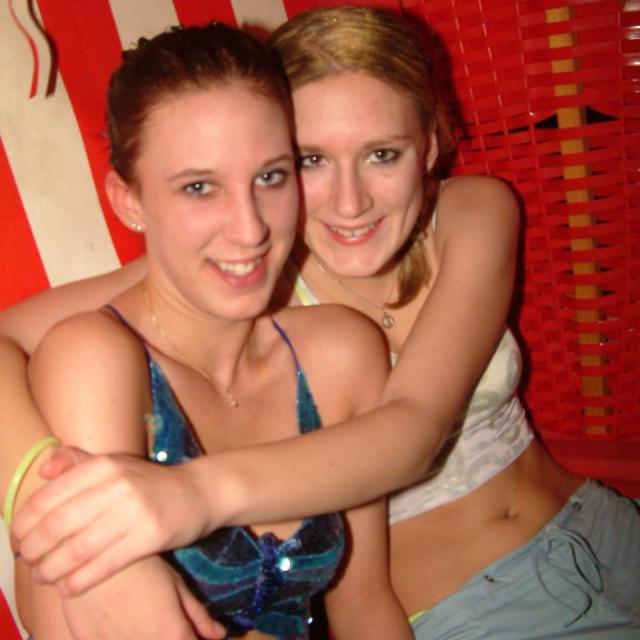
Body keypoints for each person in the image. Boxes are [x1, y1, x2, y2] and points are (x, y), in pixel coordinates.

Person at [4, 5, 640, 639]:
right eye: (310, 161)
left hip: (601, 524)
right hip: (471, 608)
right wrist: (64, 508)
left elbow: (415, 429)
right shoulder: (245, 264)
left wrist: (194, 495)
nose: (350, 201)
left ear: (430, 144)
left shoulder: (469, 213)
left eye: (382, 154)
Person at [4, 20, 412, 640]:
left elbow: (366, 604)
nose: (251, 229)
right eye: (199, 187)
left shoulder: (342, 351)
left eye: (271, 177)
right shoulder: (96, 360)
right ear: (129, 201)